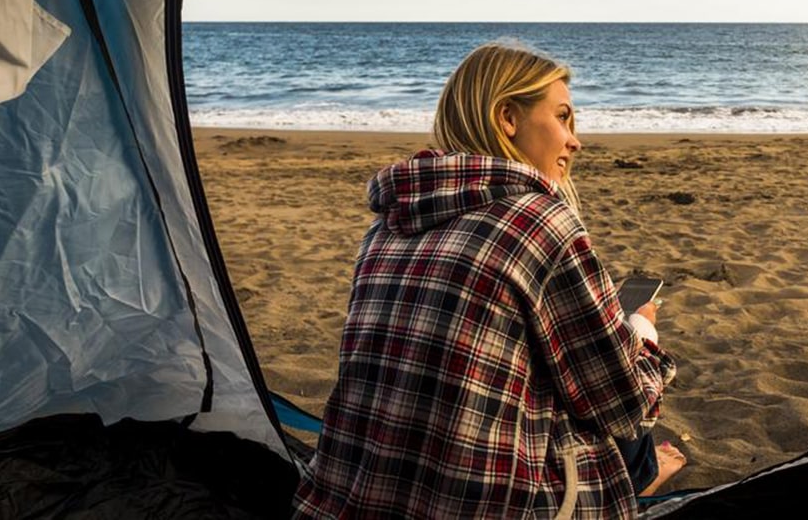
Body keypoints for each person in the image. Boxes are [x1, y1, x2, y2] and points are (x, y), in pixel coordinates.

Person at [293, 42, 684, 519]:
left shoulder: (385, 225)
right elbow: (619, 402)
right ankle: (642, 478)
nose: (574, 141)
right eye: (562, 118)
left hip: (351, 498)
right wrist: (643, 335)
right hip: (481, 504)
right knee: (623, 397)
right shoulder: (540, 221)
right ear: (507, 118)